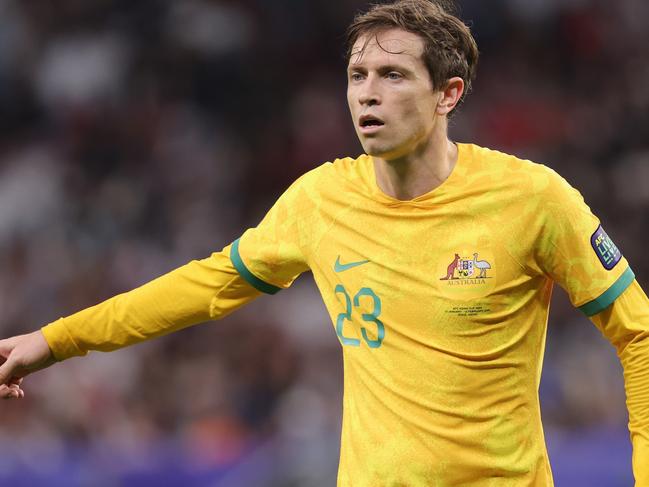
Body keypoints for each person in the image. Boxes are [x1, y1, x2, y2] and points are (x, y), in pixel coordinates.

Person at [1, 0, 647, 484]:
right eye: (356, 73)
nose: (367, 92)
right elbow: (204, 286)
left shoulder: (532, 198)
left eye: (393, 75)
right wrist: (54, 340)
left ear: (447, 93)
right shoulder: (319, 200)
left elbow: (638, 333)